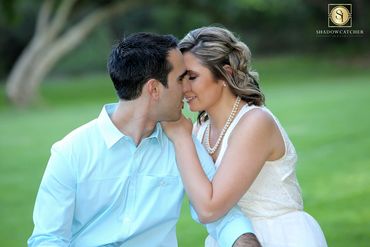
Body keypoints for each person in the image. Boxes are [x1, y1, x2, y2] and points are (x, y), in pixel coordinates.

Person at [27, 32, 261, 247]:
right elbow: (48, 238)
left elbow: (225, 219)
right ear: (154, 90)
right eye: (181, 79)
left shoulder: (181, 143)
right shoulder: (71, 152)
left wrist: (245, 242)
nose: (187, 89)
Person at [161, 26, 328, 247]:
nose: (184, 88)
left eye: (192, 77)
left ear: (225, 74)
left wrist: (181, 139)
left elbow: (209, 209)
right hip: (227, 239)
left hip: (279, 237)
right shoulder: (199, 128)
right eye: (181, 78)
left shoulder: (255, 123)